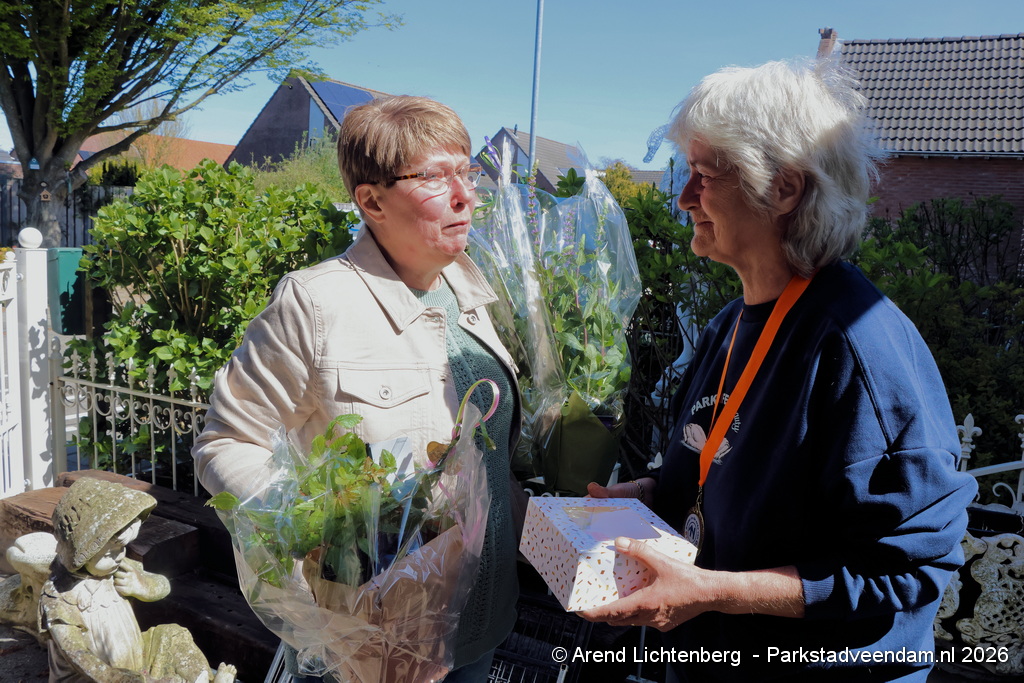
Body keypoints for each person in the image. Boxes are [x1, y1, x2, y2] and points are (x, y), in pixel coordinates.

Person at [583, 60, 977, 681]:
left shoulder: (856, 346)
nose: (684, 198)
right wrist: (656, 497)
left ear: (785, 188)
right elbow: (723, 474)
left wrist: (716, 591)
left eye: (705, 175)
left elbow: (911, 568)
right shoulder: (728, 325)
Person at [193, 95, 521, 682]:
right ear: (371, 201)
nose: (465, 195)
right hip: (370, 644)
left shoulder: (471, 291)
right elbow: (225, 441)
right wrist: (321, 535)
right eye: (435, 177)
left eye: (467, 172)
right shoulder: (316, 304)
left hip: (481, 623)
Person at [39, 477, 236, 683]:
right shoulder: (58, 594)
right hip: (94, 678)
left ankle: (201, 678)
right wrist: (123, 679)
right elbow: (77, 655)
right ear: (82, 553)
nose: (119, 556)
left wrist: (140, 585)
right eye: (110, 552)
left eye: (122, 548)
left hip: (139, 661)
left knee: (172, 634)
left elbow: (163, 586)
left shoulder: (117, 568)